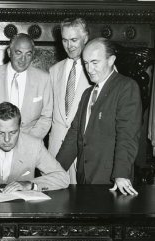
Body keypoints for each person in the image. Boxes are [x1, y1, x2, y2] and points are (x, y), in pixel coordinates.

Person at [56, 37, 142, 195]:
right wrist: (54, 170)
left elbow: (127, 135)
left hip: (111, 180)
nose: (89, 69)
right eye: (86, 63)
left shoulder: (126, 87)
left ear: (111, 60)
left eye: (95, 62)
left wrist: (121, 174)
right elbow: (74, 135)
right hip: (84, 177)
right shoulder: (87, 93)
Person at [0, 33, 52, 139]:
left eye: (28, 54)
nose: (23, 59)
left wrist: (29, 142)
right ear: (9, 52)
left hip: (30, 142)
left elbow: (47, 116)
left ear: (33, 55)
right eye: (18, 53)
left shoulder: (44, 79)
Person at [48, 18, 91, 184]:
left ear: (85, 38)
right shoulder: (54, 70)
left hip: (83, 148)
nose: (69, 46)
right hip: (56, 150)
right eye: (65, 40)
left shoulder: (96, 70)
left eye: (74, 40)